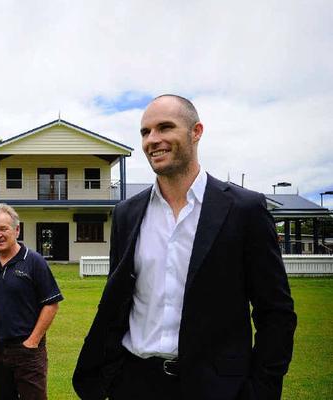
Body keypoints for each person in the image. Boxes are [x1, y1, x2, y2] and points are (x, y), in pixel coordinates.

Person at [73, 95, 297, 400]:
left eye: (165, 127)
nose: (153, 140)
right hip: (134, 382)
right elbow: (117, 301)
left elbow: (276, 313)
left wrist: (260, 389)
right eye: (145, 132)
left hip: (215, 387)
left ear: (196, 132)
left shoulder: (245, 210)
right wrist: (113, 377)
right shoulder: (127, 214)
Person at [0, 203, 63, 400]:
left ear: (17, 230)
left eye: (3, 229)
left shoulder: (34, 261)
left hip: (26, 350)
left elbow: (51, 304)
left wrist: (32, 341)